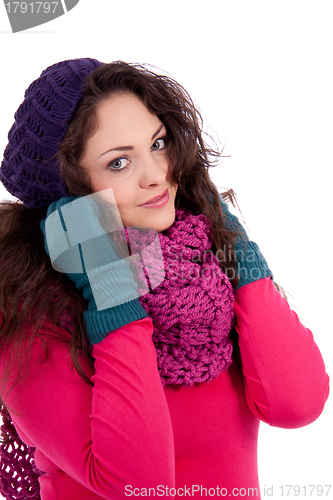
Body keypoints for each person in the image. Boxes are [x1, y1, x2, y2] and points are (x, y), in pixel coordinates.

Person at [0, 58, 329, 500]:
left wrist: (234, 246)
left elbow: (297, 404)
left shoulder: (205, 273)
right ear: (69, 193)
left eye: (158, 144)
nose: (157, 175)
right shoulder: (30, 316)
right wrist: (111, 291)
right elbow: (140, 484)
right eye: (118, 163)